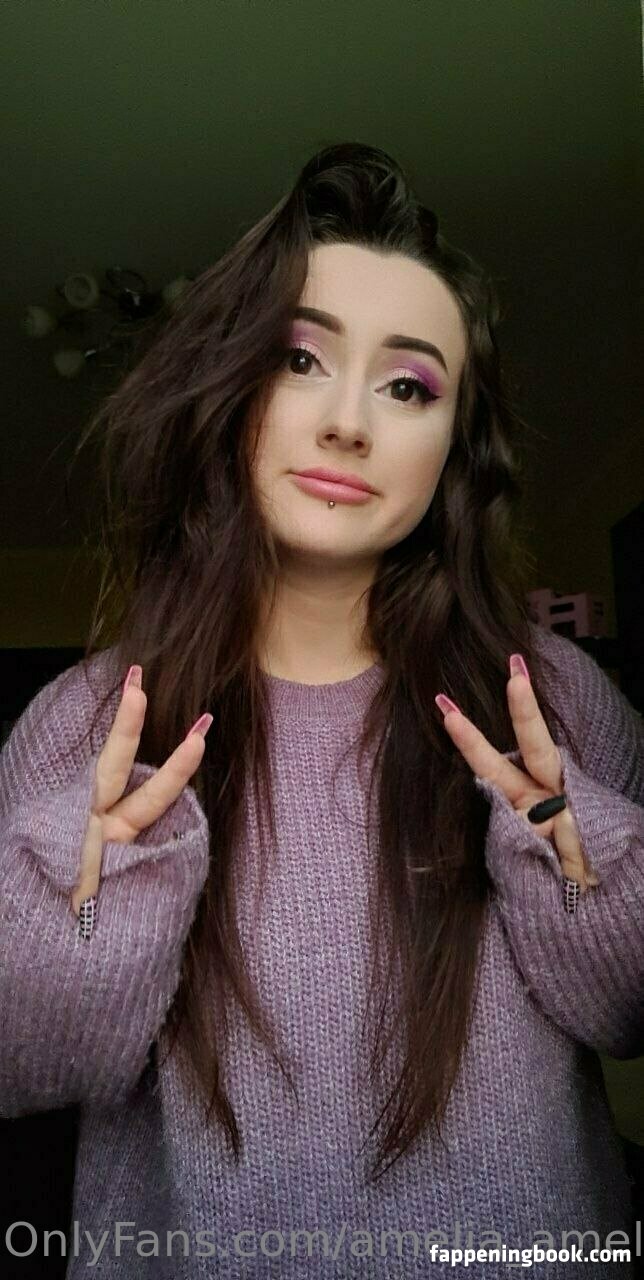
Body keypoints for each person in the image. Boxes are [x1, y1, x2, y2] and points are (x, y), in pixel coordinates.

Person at [1, 142, 642, 1279]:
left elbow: (625, 1013)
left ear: (452, 451)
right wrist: (89, 908)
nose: (349, 421)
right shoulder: (80, 724)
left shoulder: (552, 702)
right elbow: (29, 1065)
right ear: (229, 389)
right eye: (300, 359)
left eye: (408, 386)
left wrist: (571, 857)